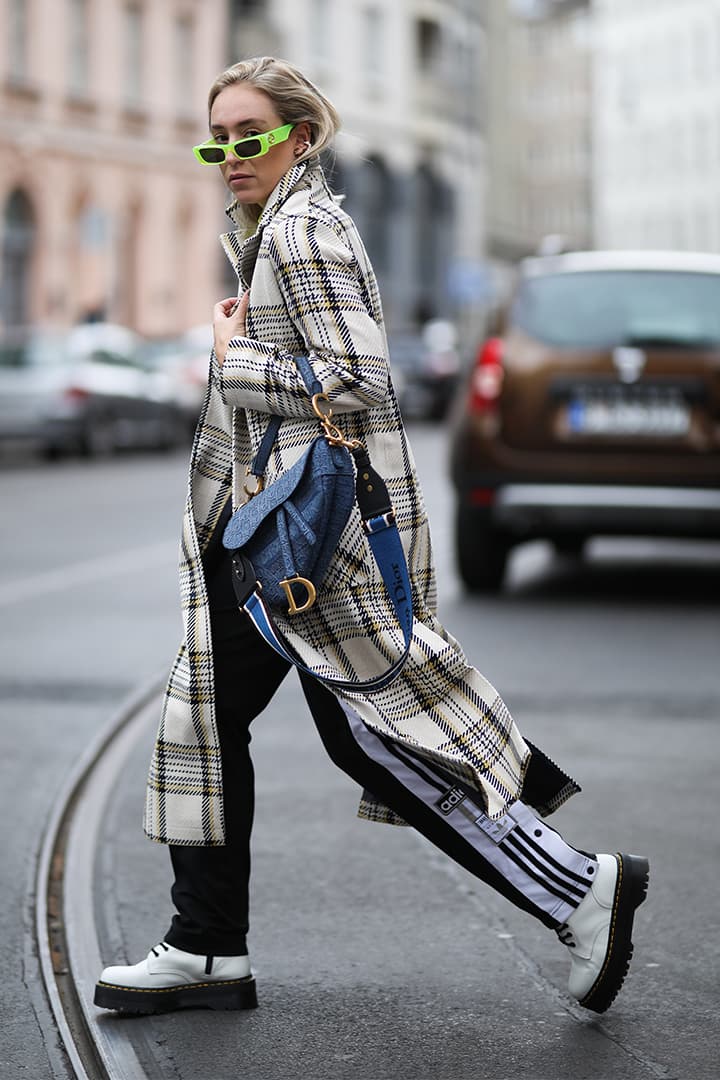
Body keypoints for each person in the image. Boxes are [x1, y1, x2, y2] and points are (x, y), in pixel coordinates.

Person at [94, 57, 648, 1017]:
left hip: (310, 544)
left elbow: (360, 381)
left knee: (371, 734)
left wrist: (235, 359)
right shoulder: (274, 231)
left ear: (300, 139)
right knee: (214, 722)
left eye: (249, 136)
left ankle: (576, 886)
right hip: (271, 532)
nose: (229, 155)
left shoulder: (304, 230)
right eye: (216, 140)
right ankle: (206, 946)